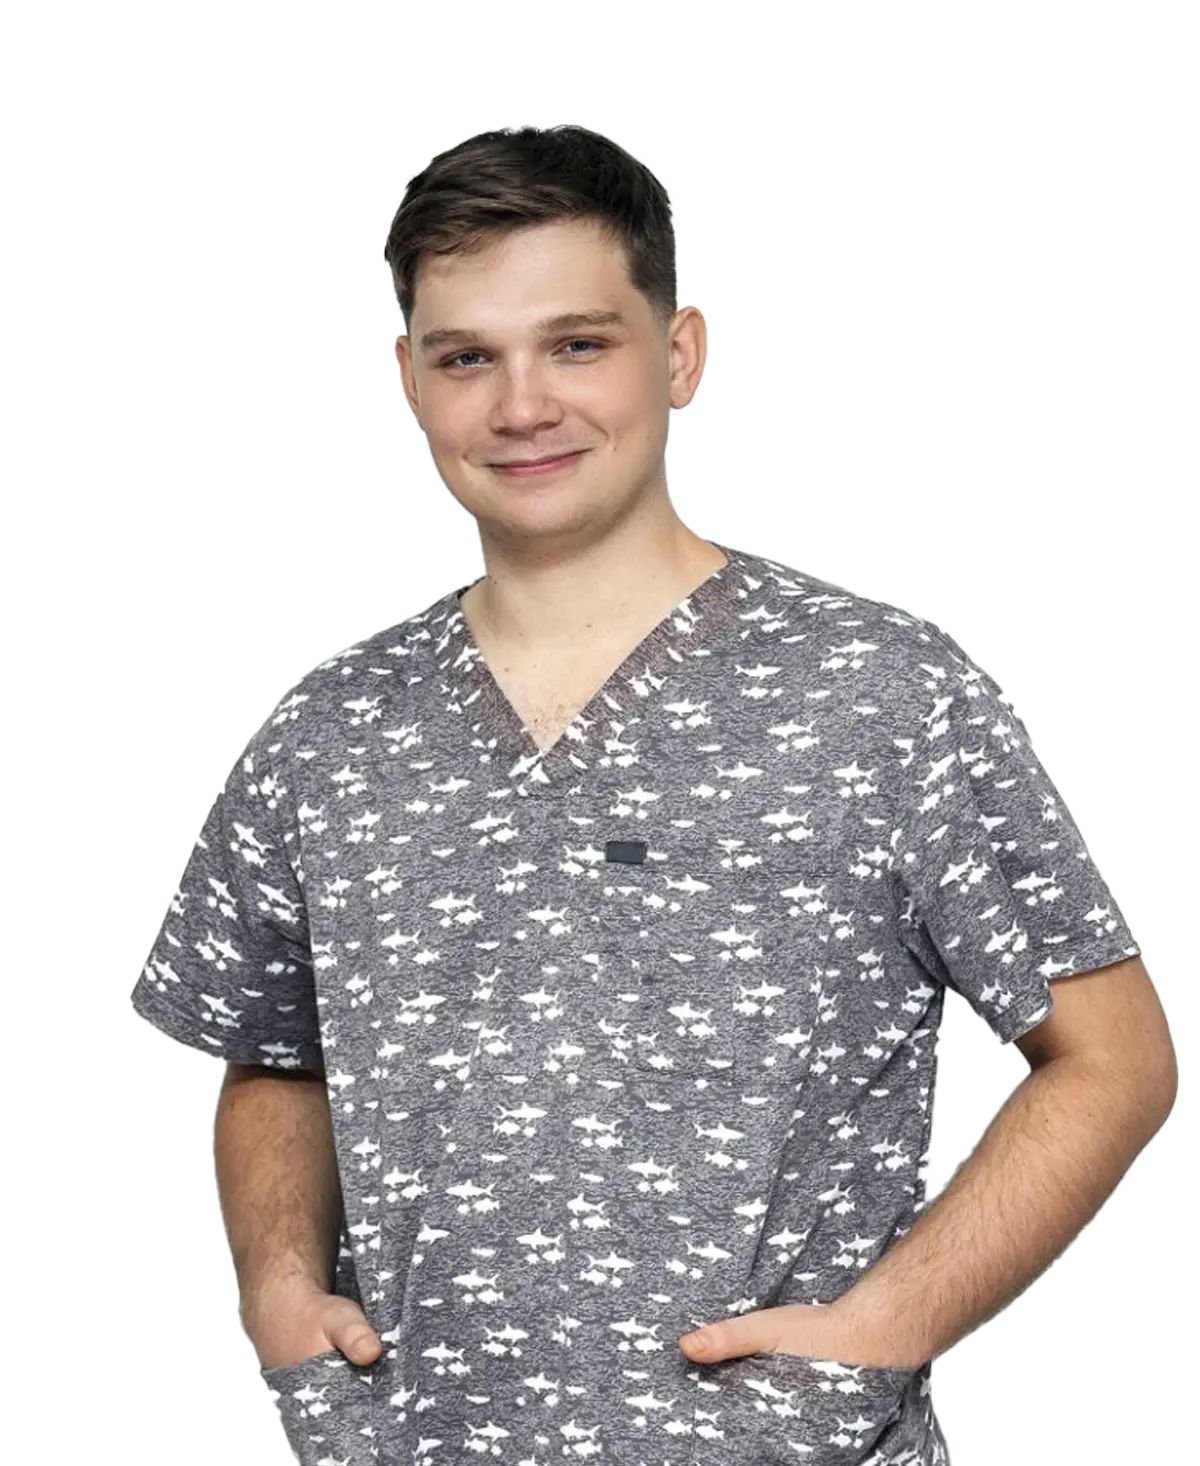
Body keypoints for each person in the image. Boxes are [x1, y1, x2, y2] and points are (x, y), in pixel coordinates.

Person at [127, 122, 1179, 1466]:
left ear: (678, 354)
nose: (522, 407)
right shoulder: (329, 735)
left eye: (578, 345)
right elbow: (275, 1051)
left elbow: (1116, 1057)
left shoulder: (881, 696)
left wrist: (890, 1322)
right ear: (408, 379)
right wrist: (279, 1286)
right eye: (467, 358)